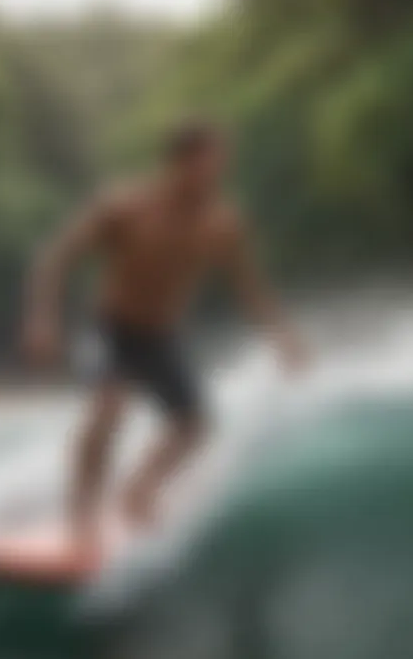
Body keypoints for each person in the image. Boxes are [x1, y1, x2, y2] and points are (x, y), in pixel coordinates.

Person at [23, 120, 307, 550]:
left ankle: (137, 492)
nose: (215, 176)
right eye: (207, 166)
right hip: (111, 329)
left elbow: (250, 289)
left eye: (220, 166)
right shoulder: (122, 206)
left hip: (161, 336)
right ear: (176, 163)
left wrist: (282, 337)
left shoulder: (223, 223)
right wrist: (42, 319)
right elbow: (55, 259)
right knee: (110, 409)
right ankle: (80, 522)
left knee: (194, 426)